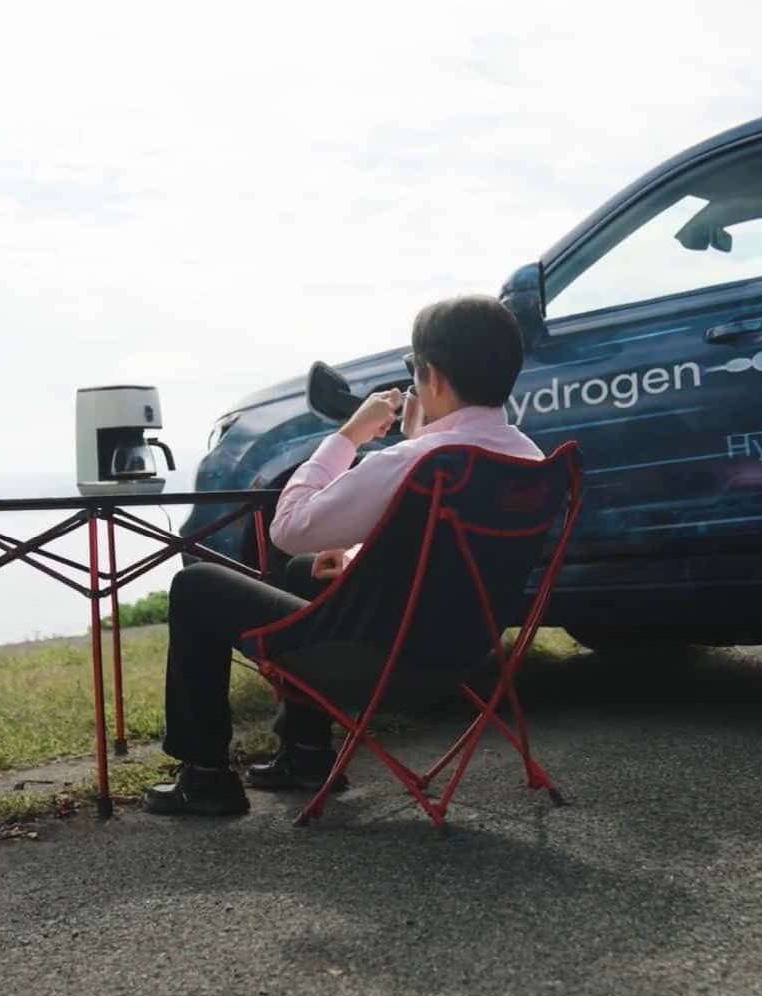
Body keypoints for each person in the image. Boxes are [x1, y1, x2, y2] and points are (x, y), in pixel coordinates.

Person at [144, 294, 543, 816]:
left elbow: (287, 527)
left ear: (433, 377)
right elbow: (439, 550)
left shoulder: (414, 461)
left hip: (380, 664)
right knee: (305, 572)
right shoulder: (528, 458)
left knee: (196, 586)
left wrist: (349, 435)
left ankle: (205, 778)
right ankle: (306, 753)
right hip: (462, 655)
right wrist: (356, 551)